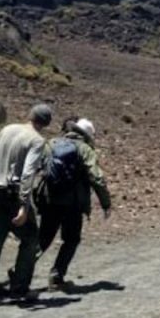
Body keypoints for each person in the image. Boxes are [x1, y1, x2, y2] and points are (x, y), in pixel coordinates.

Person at [0, 104, 52, 302]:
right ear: (46, 123)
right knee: (30, 239)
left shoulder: (7, 129)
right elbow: (27, 174)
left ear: (30, 115)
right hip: (14, 196)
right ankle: (19, 287)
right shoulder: (37, 140)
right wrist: (24, 206)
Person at [37, 118, 111, 290]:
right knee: (71, 239)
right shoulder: (84, 149)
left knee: (43, 238)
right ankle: (56, 277)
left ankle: (19, 272)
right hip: (73, 204)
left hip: (50, 199)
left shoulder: (51, 144)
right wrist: (106, 203)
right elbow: (97, 178)